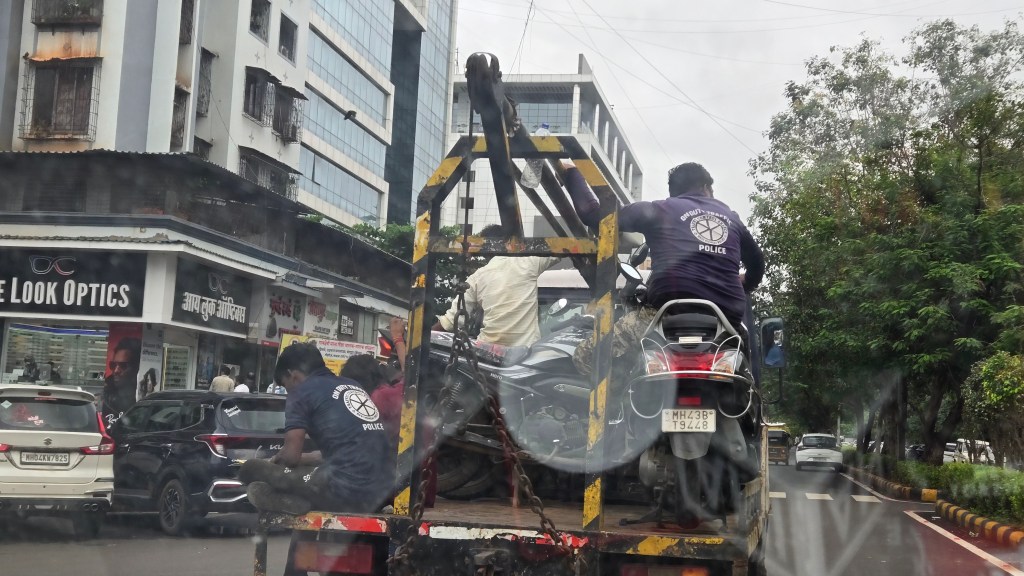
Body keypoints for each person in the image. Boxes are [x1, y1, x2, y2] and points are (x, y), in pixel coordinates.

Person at [565, 161, 765, 375]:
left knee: (586, 357)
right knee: (747, 371)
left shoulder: (658, 209)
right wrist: (744, 282)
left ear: (674, 192)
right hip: (726, 321)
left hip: (662, 316)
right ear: (706, 187)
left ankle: (620, 404)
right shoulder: (731, 217)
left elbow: (593, 215)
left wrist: (571, 173)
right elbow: (757, 264)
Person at [240, 343, 392, 516]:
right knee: (300, 475)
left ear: (293, 375)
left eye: (285, 384)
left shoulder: (300, 393)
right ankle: (299, 501)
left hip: (346, 490)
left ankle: (295, 502)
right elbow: (339, 451)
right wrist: (297, 458)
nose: (288, 391)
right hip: (381, 490)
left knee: (251, 471)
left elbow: (291, 458)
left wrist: (278, 459)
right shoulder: (352, 384)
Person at [432, 225, 563, 347]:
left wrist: (419, 338)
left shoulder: (477, 278)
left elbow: (450, 322)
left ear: (483, 249)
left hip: (488, 351)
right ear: (508, 243)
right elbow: (561, 248)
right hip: (526, 352)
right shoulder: (528, 264)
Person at [101, 338, 141, 426]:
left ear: (136, 368)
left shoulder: (141, 399)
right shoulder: (107, 394)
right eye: (113, 365)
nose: (116, 370)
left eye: (123, 366)